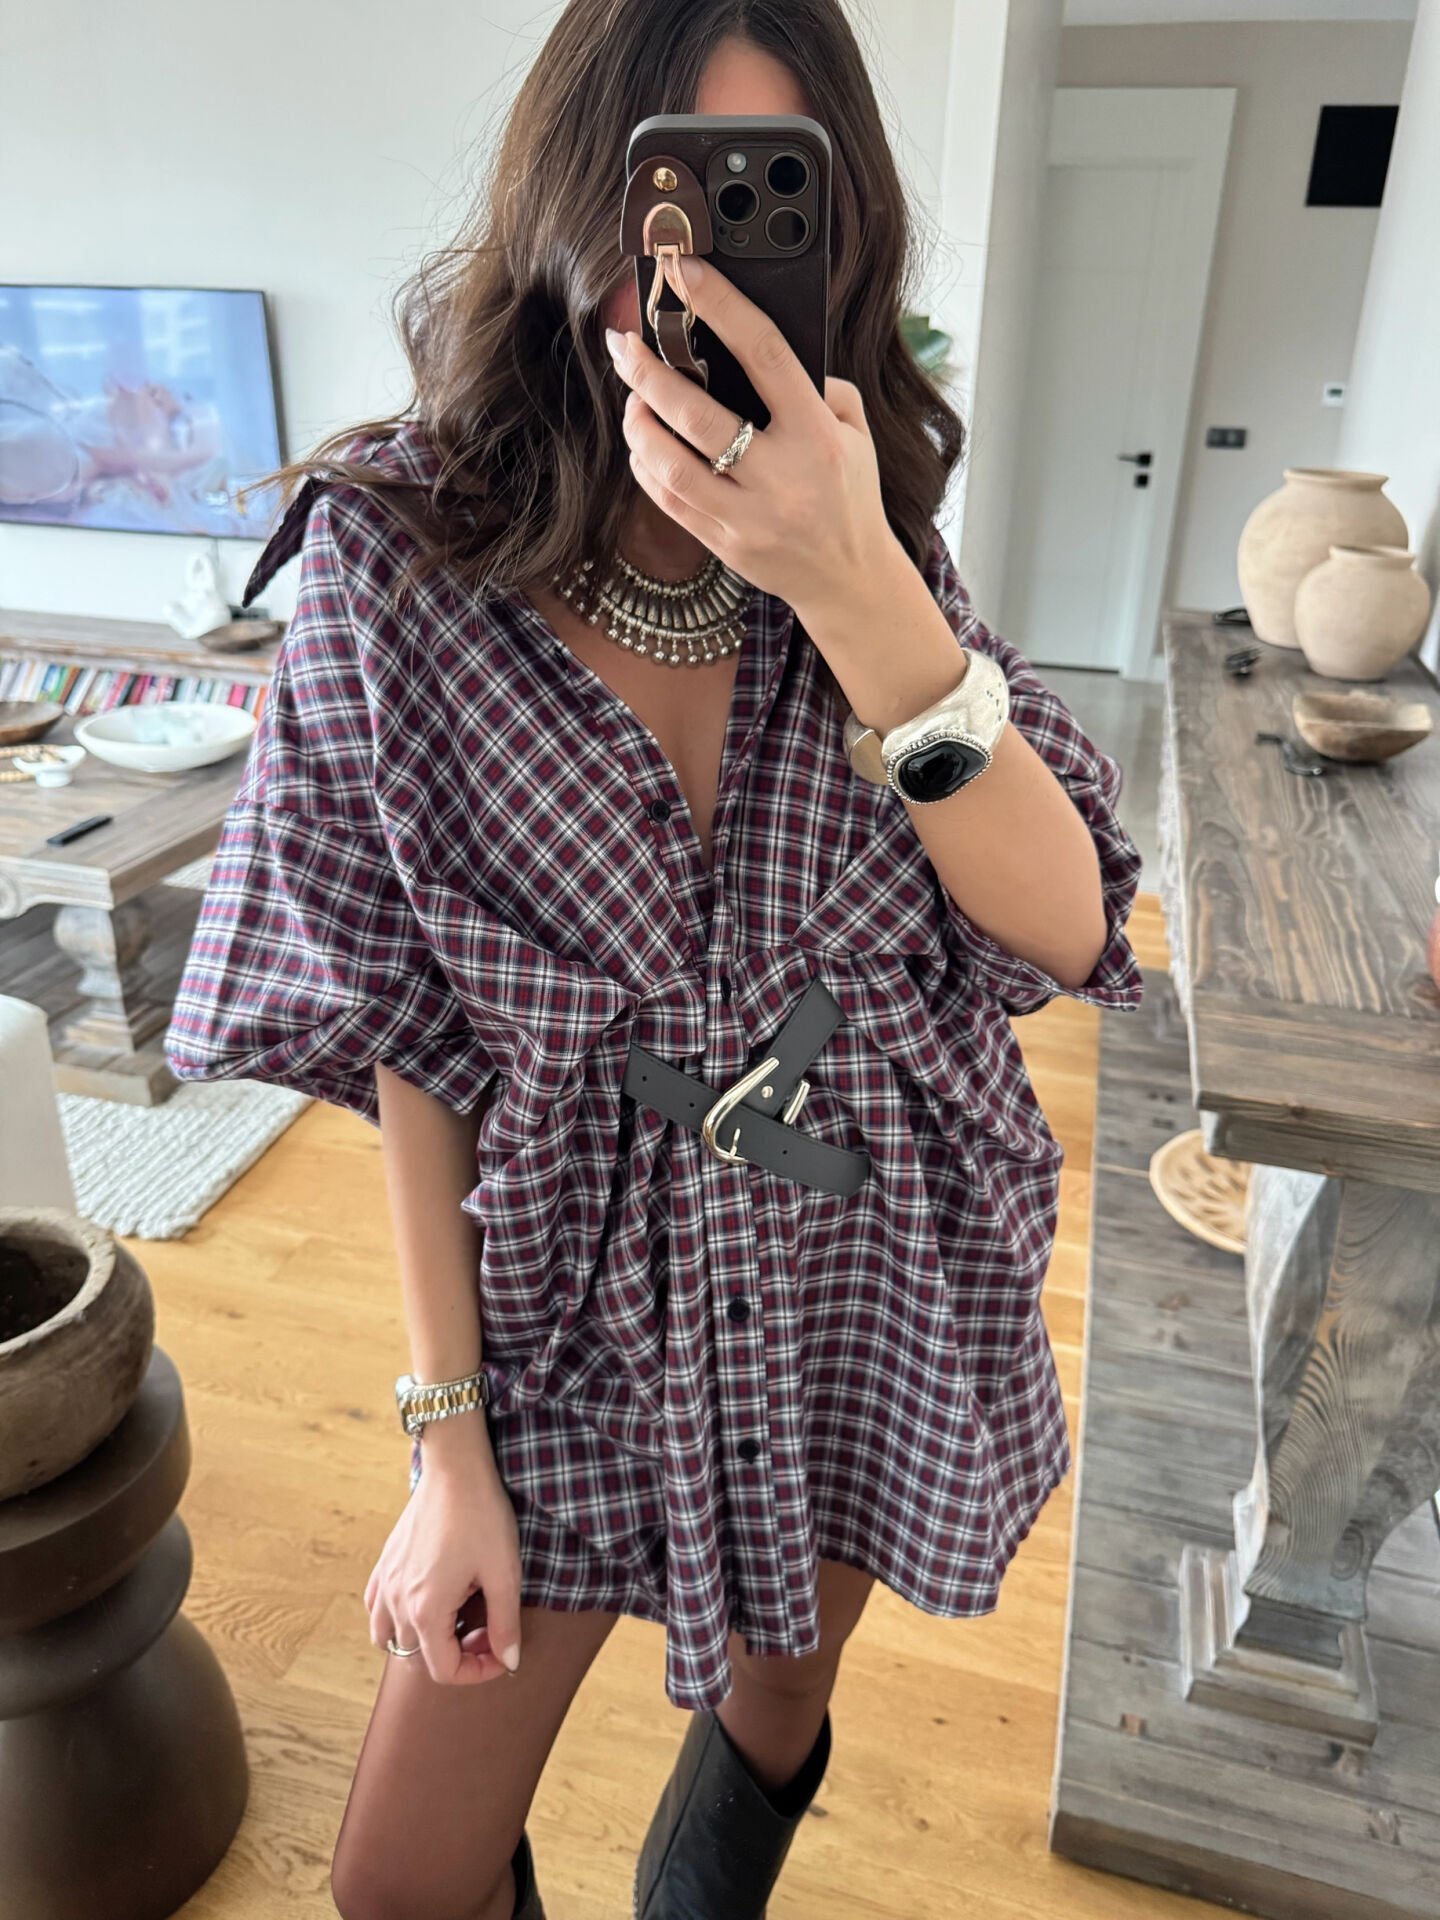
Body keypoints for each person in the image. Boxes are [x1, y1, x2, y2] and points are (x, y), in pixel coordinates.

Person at [163, 3, 1146, 1917]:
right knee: (398, 1881)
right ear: (576, 195)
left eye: (773, 202)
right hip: (568, 1281)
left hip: (868, 1241)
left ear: (841, 236)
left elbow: (1070, 917)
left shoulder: (866, 528)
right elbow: (416, 1034)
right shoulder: (400, 559)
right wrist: (446, 1444)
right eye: (669, 200)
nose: (697, 271)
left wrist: (854, 587)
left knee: (780, 1697)